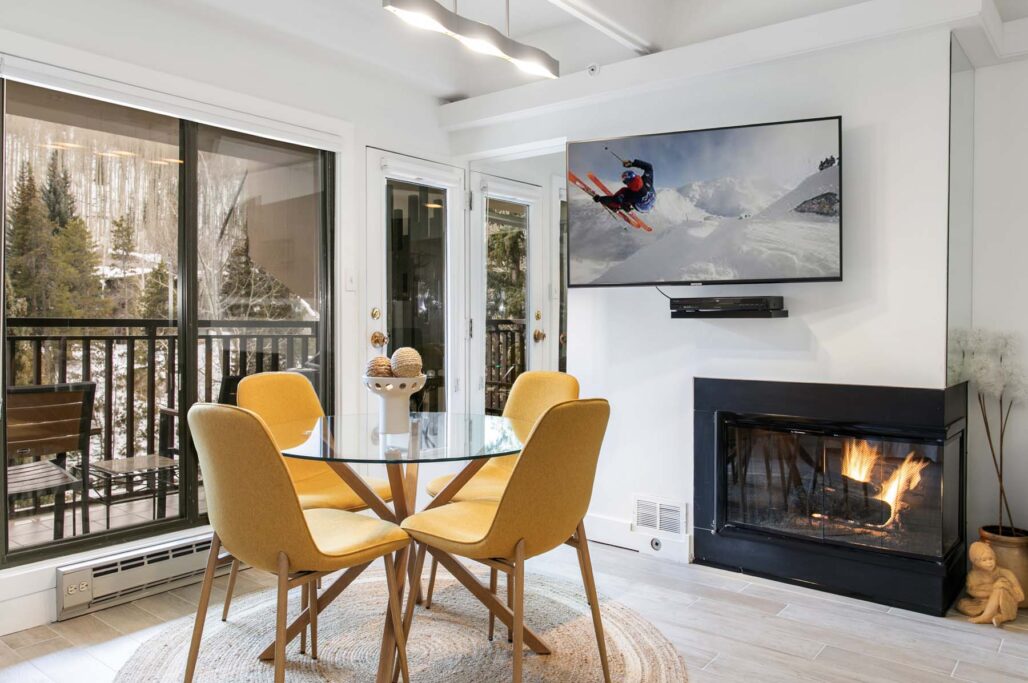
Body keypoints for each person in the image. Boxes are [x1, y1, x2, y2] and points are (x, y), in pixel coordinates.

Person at [956, 541, 1024, 627]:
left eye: (991, 558)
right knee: (962, 604)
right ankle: (998, 617)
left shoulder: (1005, 573)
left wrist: (1004, 588)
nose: (989, 563)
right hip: (983, 602)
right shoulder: (973, 575)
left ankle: (987, 616)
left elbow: (1020, 596)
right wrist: (992, 591)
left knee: (1001, 584)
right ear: (976, 562)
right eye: (984, 560)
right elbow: (972, 591)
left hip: (1006, 603)